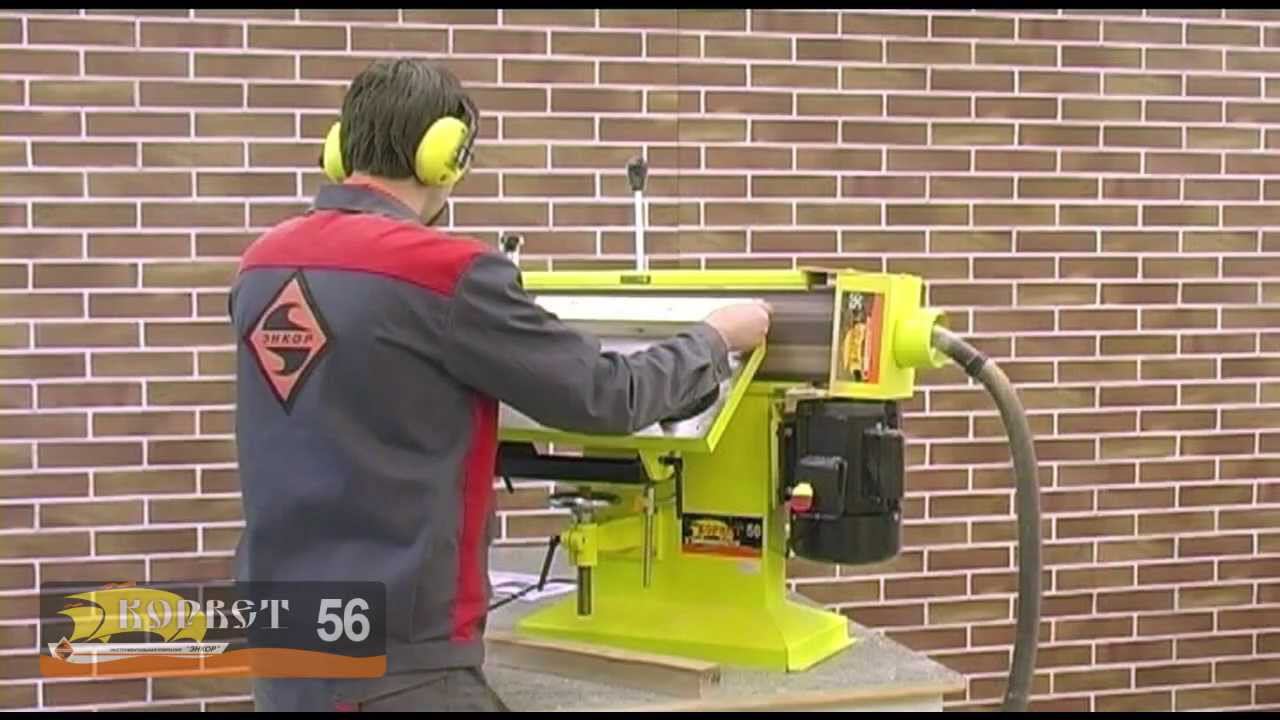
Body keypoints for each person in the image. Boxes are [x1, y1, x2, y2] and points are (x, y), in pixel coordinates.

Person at [229, 58, 772, 712]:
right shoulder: (447, 273)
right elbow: (608, 395)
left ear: (340, 148)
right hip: (401, 664)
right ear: (445, 155)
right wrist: (714, 340)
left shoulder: (262, 265)